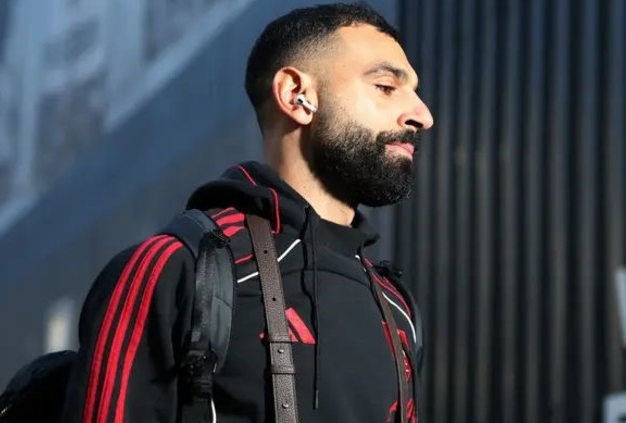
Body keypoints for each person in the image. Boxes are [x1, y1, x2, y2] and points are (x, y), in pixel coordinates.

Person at [61, 3, 433, 422]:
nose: (422, 115)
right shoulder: (178, 269)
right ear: (297, 96)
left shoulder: (396, 306)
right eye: (386, 87)